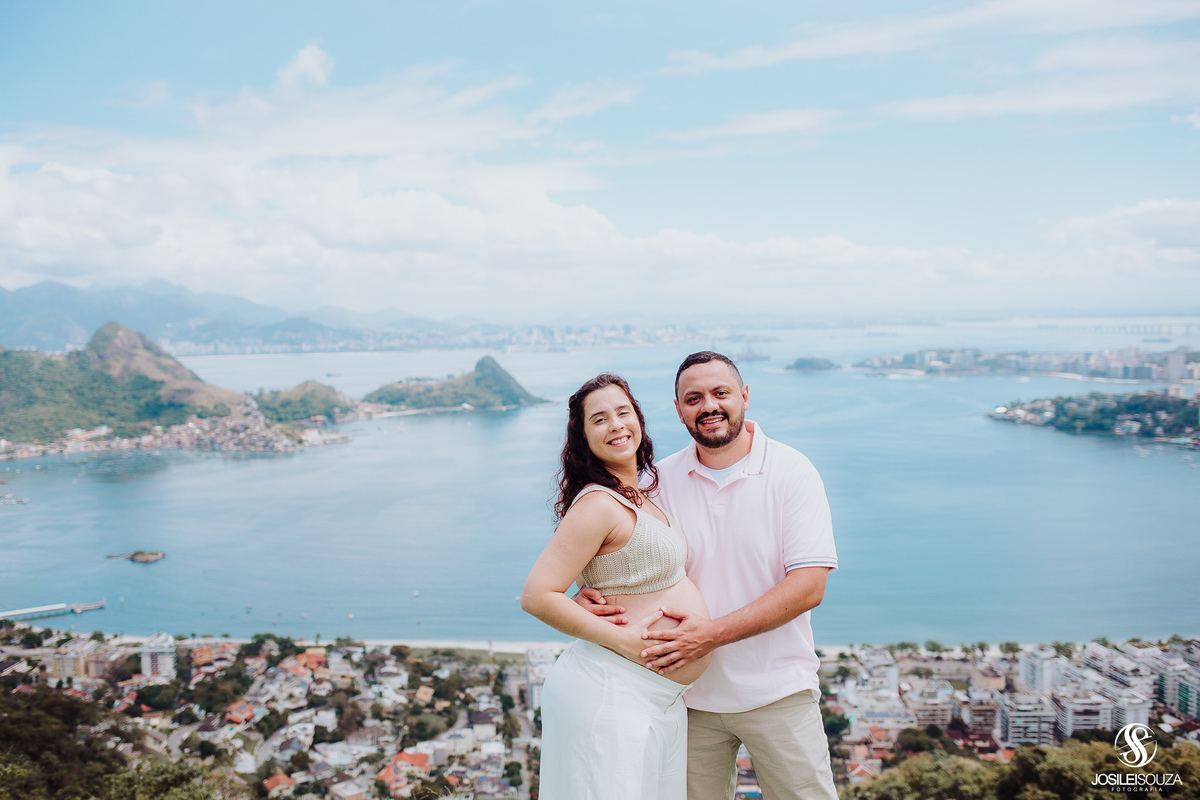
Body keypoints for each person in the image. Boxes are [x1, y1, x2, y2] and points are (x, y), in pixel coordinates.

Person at [579, 351, 839, 800]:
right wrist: (588, 593)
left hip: (779, 692)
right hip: (685, 698)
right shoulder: (657, 481)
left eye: (721, 393)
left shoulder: (792, 471)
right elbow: (624, 557)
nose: (709, 406)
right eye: (694, 398)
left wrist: (711, 635)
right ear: (678, 409)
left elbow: (808, 587)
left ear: (745, 396)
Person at [521, 373, 712, 800]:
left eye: (623, 412)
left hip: (657, 696)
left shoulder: (638, 495)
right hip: (613, 689)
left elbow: (609, 572)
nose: (616, 425)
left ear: (639, 420)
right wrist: (628, 642)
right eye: (599, 419)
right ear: (583, 437)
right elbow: (536, 595)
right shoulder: (598, 503)